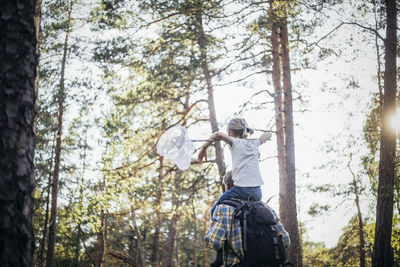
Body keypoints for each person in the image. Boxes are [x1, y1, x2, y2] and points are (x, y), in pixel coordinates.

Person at [204, 171, 290, 267]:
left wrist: (210, 228)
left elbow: (214, 243)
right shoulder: (265, 207)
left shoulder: (224, 208)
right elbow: (286, 241)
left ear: (228, 186)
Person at [198, 118, 272, 215]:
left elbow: (218, 135)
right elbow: (269, 134)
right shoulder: (254, 143)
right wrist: (259, 139)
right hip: (258, 192)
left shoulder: (234, 142)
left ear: (229, 133)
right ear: (245, 132)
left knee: (215, 210)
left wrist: (203, 147)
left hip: (241, 190)